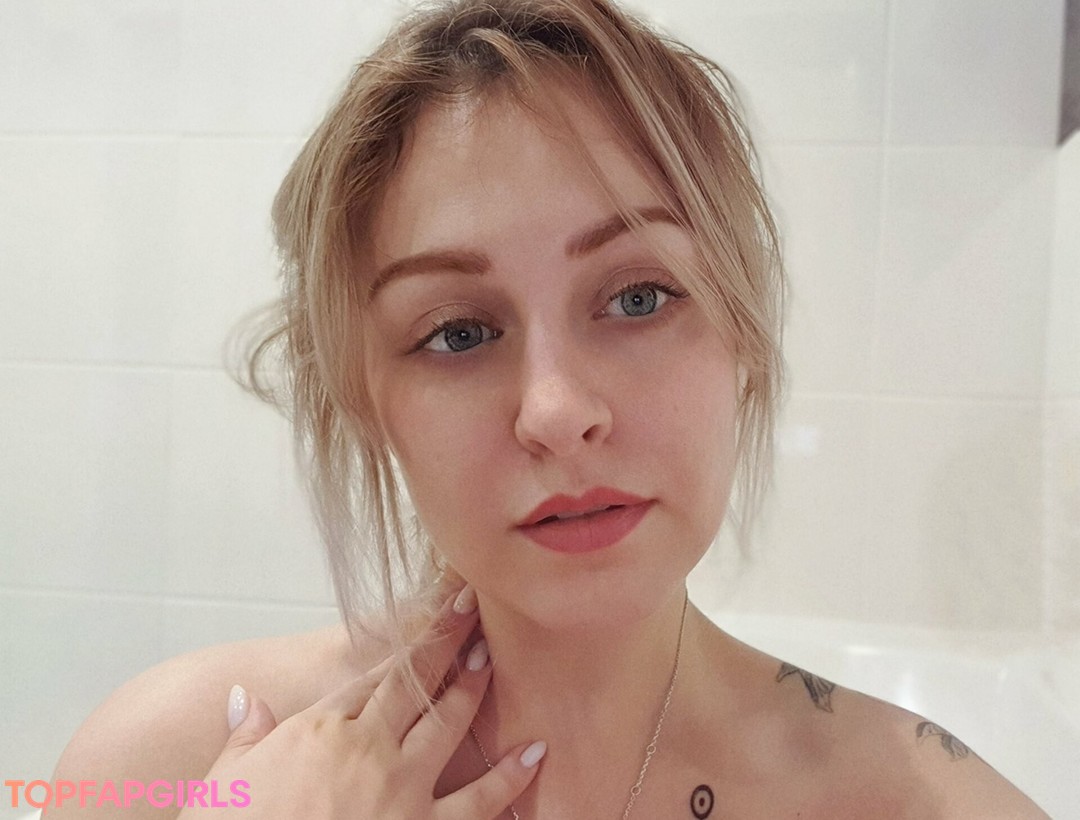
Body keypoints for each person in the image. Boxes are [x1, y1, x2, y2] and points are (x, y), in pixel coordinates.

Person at [50, 0, 1048, 817]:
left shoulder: (923, 805)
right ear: (365, 401)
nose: (558, 412)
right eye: (457, 332)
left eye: (639, 298)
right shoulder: (166, 769)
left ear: (742, 336)